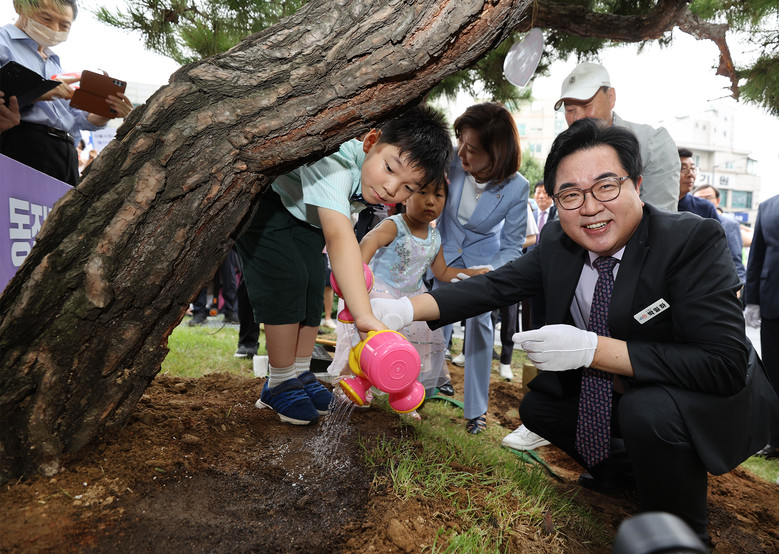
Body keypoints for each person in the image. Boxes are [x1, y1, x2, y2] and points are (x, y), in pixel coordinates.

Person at [370, 118, 778, 544]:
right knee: (540, 409)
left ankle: (682, 534)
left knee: (649, 411)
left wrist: (591, 349)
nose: (590, 207)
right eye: (570, 194)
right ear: (556, 201)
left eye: (606, 186)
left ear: (637, 184)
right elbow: (493, 287)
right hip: (624, 392)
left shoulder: (689, 241)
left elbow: (723, 362)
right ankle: (627, 475)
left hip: (705, 397)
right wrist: (404, 309)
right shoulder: (558, 243)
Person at [235, 104, 452, 426]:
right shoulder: (334, 162)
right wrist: (363, 315)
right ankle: (279, 381)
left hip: (306, 216)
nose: (392, 189)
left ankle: (300, 372)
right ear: (371, 142)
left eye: (408, 187)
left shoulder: (369, 179)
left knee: (312, 284)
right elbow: (339, 237)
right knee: (287, 280)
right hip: (269, 206)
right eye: (390, 169)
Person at [327, 180, 488, 401]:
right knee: (366, 342)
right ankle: (350, 380)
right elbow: (369, 241)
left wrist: (472, 274)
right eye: (422, 193)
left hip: (412, 298)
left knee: (405, 352)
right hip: (380, 293)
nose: (430, 201)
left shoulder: (435, 237)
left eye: (438, 195)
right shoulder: (395, 225)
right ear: (405, 197)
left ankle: (400, 394)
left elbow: (442, 272)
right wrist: (356, 275)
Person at [433, 102, 528, 435]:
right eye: (461, 141)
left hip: (482, 264)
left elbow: (512, 246)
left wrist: (488, 272)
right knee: (433, 321)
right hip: (443, 255)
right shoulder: (450, 160)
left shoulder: (517, 187)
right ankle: (424, 385)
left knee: (479, 326)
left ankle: (476, 411)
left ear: (496, 153)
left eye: (472, 149)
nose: (461, 152)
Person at [0, 0, 133, 186]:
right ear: (20, 7)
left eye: (64, 25)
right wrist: (40, 91)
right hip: (22, 144)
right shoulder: (3, 43)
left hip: (66, 154)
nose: (54, 29)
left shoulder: (54, 63)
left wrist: (102, 115)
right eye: (46, 18)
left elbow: (73, 117)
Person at [555, 62, 678, 213]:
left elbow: (660, 215)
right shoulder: (564, 154)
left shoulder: (652, 144)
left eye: (586, 106)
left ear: (611, 97)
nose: (578, 117)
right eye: (569, 110)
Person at [745, 194, 779, 459]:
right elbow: (756, 255)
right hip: (772, 303)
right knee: (774, 374)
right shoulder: (768, 206)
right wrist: (752, 300)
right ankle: (775, 439)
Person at [693, 183, 746, 286]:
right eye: (699, 199)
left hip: (721, 283)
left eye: (708, 198)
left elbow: (735, 258)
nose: (703, 202)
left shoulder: (729, 224)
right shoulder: (689, 222)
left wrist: (738, 284)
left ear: (718, 201)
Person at [677, 148, 718, 219]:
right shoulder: (657, 205)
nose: (690, 174)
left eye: (693, 169)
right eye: (683, 168)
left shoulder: (705, 208)